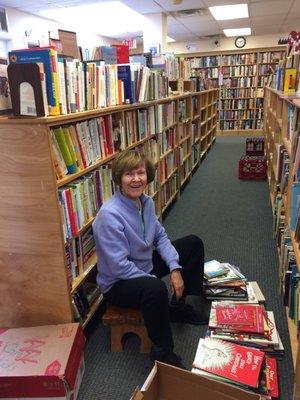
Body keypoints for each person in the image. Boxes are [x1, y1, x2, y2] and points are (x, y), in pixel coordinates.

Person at [93, 149, 208, 369]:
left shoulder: (146, 202)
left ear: (148, 175)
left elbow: (160, 236)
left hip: (142, 266)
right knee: (155, 288)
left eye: (140, 173)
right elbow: (119, 267)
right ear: (119, 178)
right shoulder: (109, 215)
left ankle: (177, 307)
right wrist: (151, 278)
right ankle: (162, 352)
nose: (136, 179)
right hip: (119, 283)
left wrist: (174, 269)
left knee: (193, 243)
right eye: (129, 174)